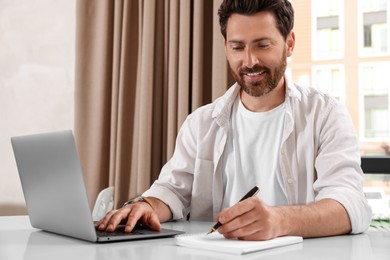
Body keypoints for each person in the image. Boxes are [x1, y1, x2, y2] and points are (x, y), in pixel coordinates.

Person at [96, 0, 372, 241]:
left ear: (289, 43)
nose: (250, 61)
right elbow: (171, 190)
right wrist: (148, 206)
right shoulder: (201, 122)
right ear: (226, 46)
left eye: (263, 45)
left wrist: (279, 221)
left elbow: (350, 205)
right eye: (238, 47)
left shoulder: (325, 114)